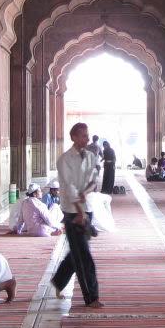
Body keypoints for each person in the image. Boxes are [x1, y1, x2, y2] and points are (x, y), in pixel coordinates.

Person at [51, 121, 104, 307]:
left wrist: (87, 192)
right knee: (84, 257)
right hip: (73, 212)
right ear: (73, 137)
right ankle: (91, 297)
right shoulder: (64, 160)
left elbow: (93, 179)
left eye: (87, 135)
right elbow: (70, 188)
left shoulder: (90, 156)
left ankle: (59, 280)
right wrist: (80, 213)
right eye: (83, 135)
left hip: (87, 209)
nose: (86, 139)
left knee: (77, 252)